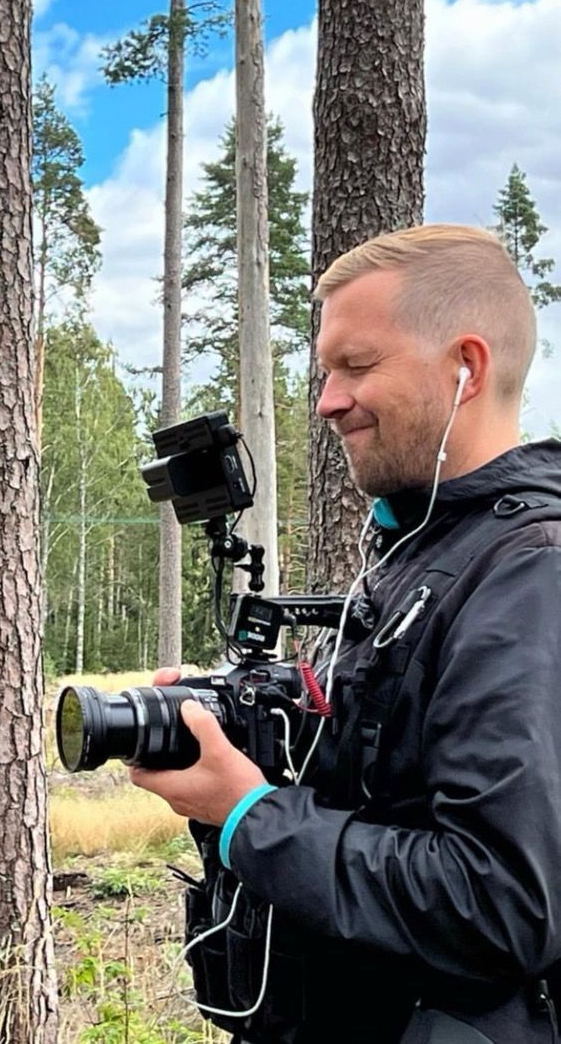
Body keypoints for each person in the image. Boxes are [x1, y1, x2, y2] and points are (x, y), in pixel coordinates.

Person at [131, 224, 561, 1043]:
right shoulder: (420, 549)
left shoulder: (529, 574)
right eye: (326, 370)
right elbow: (384, 782)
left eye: (357, 367)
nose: (327, 400)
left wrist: (252, 818)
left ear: (465, 367)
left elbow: (502, 904)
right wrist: (235, 727)